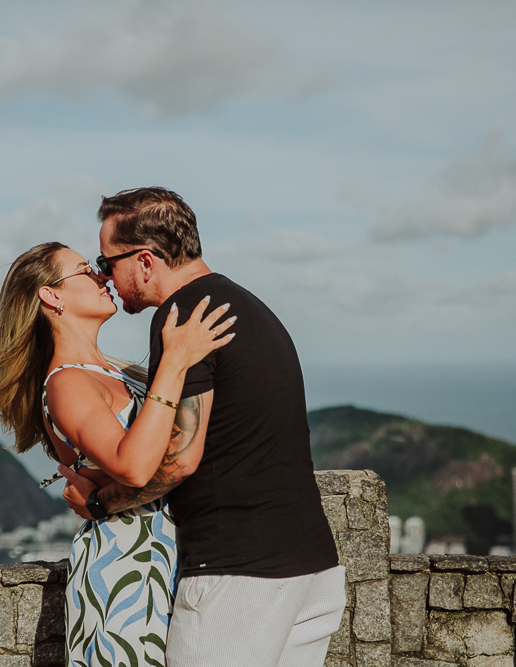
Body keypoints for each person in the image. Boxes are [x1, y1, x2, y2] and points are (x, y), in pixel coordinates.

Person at [58, 187, 347, 667]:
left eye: (107, 262)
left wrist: (98, 502)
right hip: (313, 566)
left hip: (239, 576)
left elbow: (179, 460)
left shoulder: (183, 318)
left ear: (145, 261)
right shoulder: (245, 305)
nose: (104, 275)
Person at [0, 241, 235, 667]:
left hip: (167, 555)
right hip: (124, 568)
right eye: (85, 270)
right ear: (52, 296)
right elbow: (134, 466)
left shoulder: (117, 371)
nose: (102, 275)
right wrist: (175, 361)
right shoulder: (66, 383)